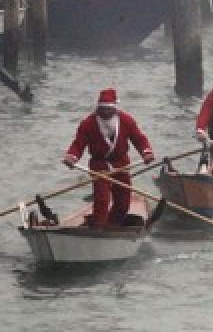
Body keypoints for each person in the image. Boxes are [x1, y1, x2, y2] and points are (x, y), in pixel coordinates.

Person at [62, 89, 155, 228]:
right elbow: (78, 144)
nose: (105, 112)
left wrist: (146, 152)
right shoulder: (88, 123)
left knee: (123, 202)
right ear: (98, 108)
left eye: (108, 109)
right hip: (99, 165)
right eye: (102, 109)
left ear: (114, 108)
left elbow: (139, 139)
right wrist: (72, 157)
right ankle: (99, 227)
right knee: (102, 199)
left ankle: (113, 225)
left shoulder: (126, 120)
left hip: (122, 164)